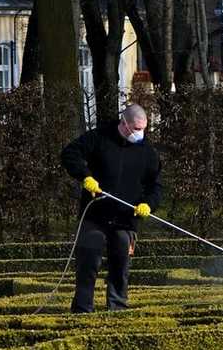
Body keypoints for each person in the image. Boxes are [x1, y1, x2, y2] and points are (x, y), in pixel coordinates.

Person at [60, 103, 162, 313]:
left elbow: (156, 185)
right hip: (95, 215)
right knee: (88, 263)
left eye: (143, 129)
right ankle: (82, 310)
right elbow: (70, 153)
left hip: (125, 219)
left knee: (120, 266)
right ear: (123, 123)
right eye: (135, 129)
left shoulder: (148, 152)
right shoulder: (99, 138)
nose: (139, 133)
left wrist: (148, 205)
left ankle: (117, 309)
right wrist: (85, 177)